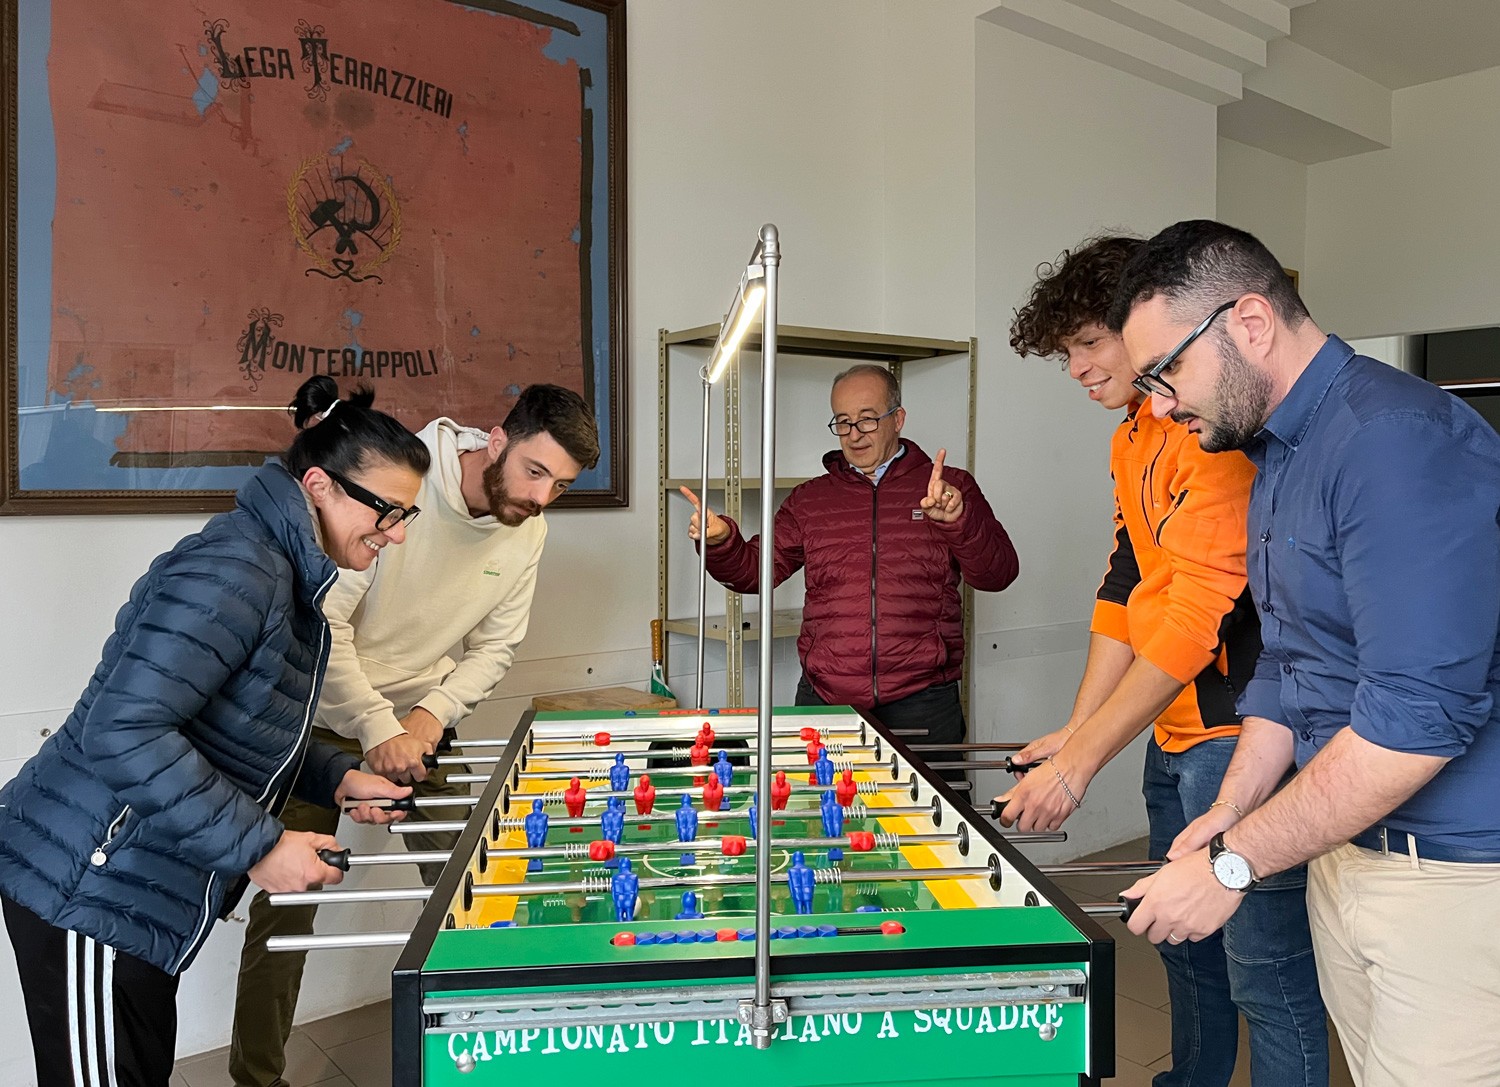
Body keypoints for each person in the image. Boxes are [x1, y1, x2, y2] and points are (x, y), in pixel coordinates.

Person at [1114, 220, 1500, 1087]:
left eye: (1166, 372)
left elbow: (1416, 722)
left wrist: (1235, 861)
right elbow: (1288, 668)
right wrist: (1230, 811)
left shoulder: (1391, 439)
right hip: (1346, 852)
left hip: (1452, 876)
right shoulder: (1281, 452)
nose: (1161, 406)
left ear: (1250, 322)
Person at [0, 375, 427, 1087]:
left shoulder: (280, 572)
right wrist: (262, 846)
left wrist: (336, 777)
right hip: (88, 885)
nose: (398, 533)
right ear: (319, 485)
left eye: (407, 514)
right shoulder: (237, 569)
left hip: (132, 890)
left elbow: (235, 725)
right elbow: (124, 731)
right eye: (387, 511)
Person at [1003, 236, 1327, 1086]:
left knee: (1264, 971)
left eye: (1088, 342)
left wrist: (1081, 761)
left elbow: (1195, 614)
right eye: (1066, 353)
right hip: (1171, 728)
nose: (1078, 368)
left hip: (1239, 729)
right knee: (1181, 943)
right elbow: (1126, 581)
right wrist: (1077, 729)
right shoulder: (1131, 439)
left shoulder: (1207, 430)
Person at [229, 384, 599, 1087]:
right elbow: (324, 623)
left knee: (474, 889)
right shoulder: (400, 483)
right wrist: (377, 728)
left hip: (419, 724)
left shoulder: (529, 529)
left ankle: (489, 1062)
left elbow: (496, 646)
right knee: (287, 909)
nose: (542, 496)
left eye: (560, 484)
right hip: (314, 717)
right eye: (534, 471)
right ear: (496, 440)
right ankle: (257, 1078)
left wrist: (431, 715)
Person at [682, 364, 1018, 773]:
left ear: (898, 418)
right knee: (816, 808)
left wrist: (959, 522)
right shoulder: (810, 500)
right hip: (826, 698)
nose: (855, 434)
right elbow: (754, 572)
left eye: (867, 419)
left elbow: (998, 575)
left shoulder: (950, 488)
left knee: (929, 811)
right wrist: (721, 543)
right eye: (843, 422)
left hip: (924, 700)